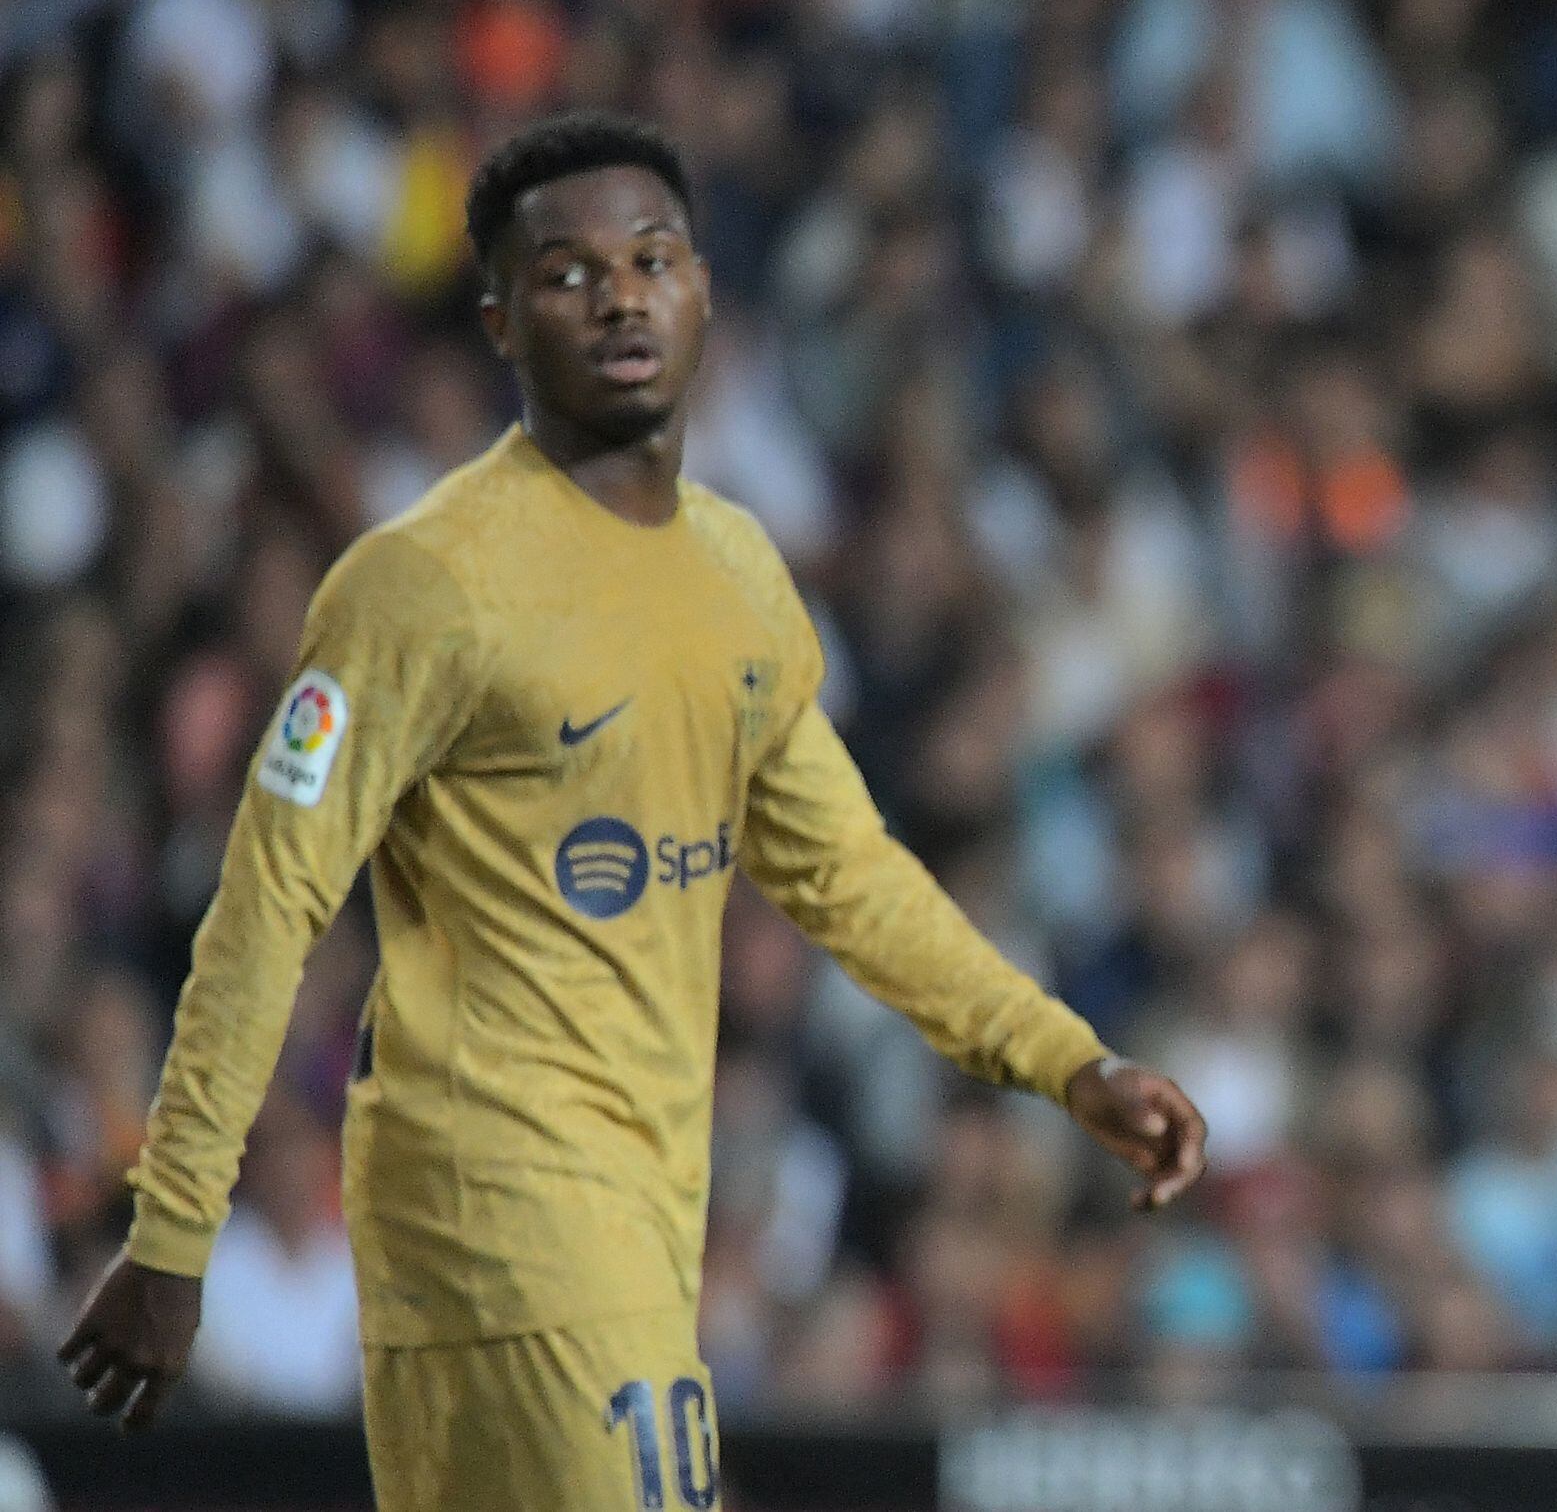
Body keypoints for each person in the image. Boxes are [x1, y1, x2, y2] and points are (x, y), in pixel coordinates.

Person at [57, 113, 1207, 1505]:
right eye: (567, 271)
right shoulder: (425, 583)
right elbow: (267, 900)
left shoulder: (736, 573)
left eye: (652, 257)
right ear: (498, 320)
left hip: (619, 1223)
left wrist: (1066, 1062)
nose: (618, 293)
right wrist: (176, 1229)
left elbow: (850, 874)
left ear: (705, 291)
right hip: (510, 1205)